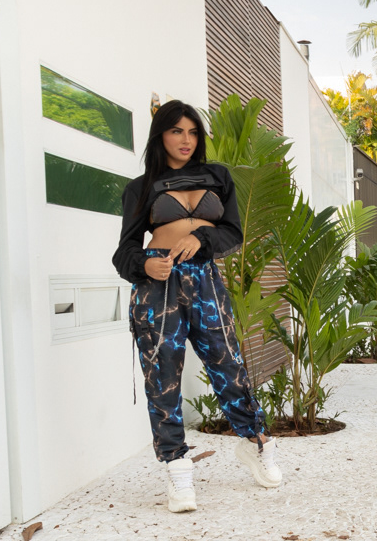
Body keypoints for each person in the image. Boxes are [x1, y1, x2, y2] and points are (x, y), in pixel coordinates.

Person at [112, 100, 282, 511]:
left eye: (192, 132)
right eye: (176, 131)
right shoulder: (141, 187)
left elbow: (232, 233)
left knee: (229, 364)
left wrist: (201, 240)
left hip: (205, 282)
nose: (185, 140)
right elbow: (124, 252)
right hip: (159, 288)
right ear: (160, 136)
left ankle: (256, 443)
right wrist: (146, 266)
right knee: (163, 379)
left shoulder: (218, 176)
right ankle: (177, 470)